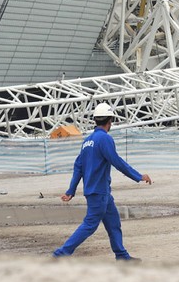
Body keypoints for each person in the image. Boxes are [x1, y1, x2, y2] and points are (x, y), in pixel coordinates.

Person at [52, 103, 152, 261]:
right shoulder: (104, 139)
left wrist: (71, 190)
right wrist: (138, 176)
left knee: (114, 223)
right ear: (110, 120)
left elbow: (78, 166)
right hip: (99, 192)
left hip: (98, 191)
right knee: (89, 225)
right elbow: (117, 162)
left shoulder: (87, 141)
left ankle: (122, 255)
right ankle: (60, 254)